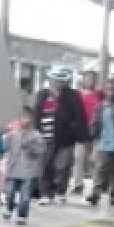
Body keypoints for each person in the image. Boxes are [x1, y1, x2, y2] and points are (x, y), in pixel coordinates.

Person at [33, 71, 87, 205]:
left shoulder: (72, 95)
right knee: (45, 166)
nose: (58, 84)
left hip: (65, 138)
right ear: (50, 80)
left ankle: (60, 191)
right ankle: (45, 193)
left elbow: (79, 116)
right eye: (55, 81)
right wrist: (35, 132)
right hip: (45, 136)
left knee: (63, 166)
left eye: (62, 81)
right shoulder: (42, 94)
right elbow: (36, 114)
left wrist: (80, 134)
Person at [3, 107, 46, 225]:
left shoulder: (36, 135)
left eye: (27, 118)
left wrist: (30, 147)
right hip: (13, 168)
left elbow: (41, 150)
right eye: (22, 117)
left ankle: (22, 215)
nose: (25, 120)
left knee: (25, 195)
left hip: (28, 171)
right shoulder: (12, 134)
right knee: (10, 192)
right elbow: (5, 147)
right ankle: (9, 207)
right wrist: (5, 136)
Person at [76, 70, 102, 186]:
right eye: (87, 78)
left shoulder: (100, 95)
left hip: (96, 132)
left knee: (95, 159)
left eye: (92, 78)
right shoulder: (78, 95)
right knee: (79, 158)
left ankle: (96, 184)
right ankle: (78, 183)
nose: (89, 81)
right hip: (81, 131)